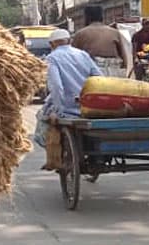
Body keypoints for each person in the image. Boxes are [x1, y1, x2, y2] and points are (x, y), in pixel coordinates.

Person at [34, 29, 101, 166]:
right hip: (88, 106)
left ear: (52, 44)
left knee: (41, 117)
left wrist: (59, 111)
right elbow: (99, 78)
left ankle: (56, 156)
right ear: (69, 41)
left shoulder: (52, 58)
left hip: (67, 107)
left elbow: (57, 87)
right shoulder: (83, 55)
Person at [72, 5, 128, 77]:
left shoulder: (80, 34)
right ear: (102, 17)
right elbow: (123, 56)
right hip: (114, 70)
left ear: (86, 17)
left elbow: (73, 58)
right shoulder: (114, 32)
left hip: (92, 71)